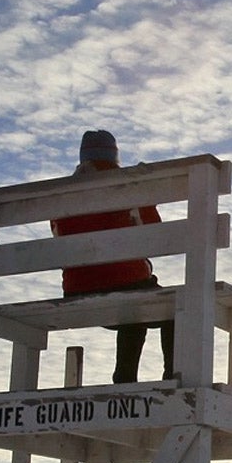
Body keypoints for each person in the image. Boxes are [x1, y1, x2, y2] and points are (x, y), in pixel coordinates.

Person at [56, 129, 175, 384]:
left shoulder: (59, 195)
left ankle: (125, 377)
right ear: (115, 158)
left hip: (76, 289)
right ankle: (171, 378)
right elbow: (154, 233)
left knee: (133, 307)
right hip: (125, 286)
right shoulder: (126, 189)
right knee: (176, 308)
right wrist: (145, 194)